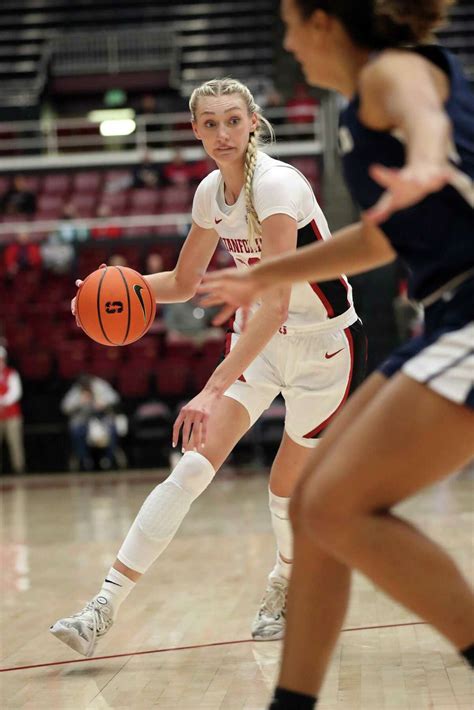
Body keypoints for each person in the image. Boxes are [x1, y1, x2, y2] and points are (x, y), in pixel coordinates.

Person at [198, 1, 474, 707]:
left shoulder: (392, 74)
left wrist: (424, 157)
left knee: (339, 506)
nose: (287, 43)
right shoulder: (357, 114)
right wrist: (262, 275)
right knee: (314, 502)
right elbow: (384, 238)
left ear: (324, 22)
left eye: (290, 24)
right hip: (449, 314)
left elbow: (427, 116)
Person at [50, 77, 367, 657]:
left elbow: (273, 302)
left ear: (253, 123)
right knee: (191, 470)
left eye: (233, 120)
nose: (223, 133)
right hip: (262, 342)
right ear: (195, 130)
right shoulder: (207, 195)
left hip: (325, 350)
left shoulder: (277, 187)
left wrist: (209, 389)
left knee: (282, 490)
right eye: (210, 123)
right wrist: (104, 293)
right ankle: (103, 606)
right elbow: (182, 283)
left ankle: (284, 582)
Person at [61, 374, 120, 471]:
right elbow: (65, 407)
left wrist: (103, 403)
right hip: (83, 421)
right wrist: (79, 402)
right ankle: (85, 460)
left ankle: (107, 459)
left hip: (102, 419)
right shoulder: (77, 389)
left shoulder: (100, 385)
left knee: (112, 430)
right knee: (77, 431)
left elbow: (115, 398)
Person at [0, 346, 25, 475]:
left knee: (15, 442)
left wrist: (3, 401)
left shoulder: (12, 373)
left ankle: (18, 468)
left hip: (12, 415)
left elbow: (16, 392)